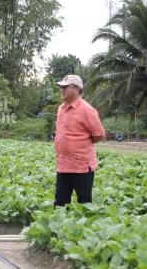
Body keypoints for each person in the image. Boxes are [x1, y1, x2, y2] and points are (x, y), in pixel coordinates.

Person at [54, 75, 106, 207]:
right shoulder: (61, 108)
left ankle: (84, 227)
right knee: (60, 201)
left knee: (84, 202)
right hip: (63, 164)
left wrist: (81, 143)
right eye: (61, 87)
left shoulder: (86, 109)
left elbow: (99, 134)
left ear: (76, 89)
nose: (62, 90)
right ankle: (60, 226)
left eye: (65, 87)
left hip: (82, 166)